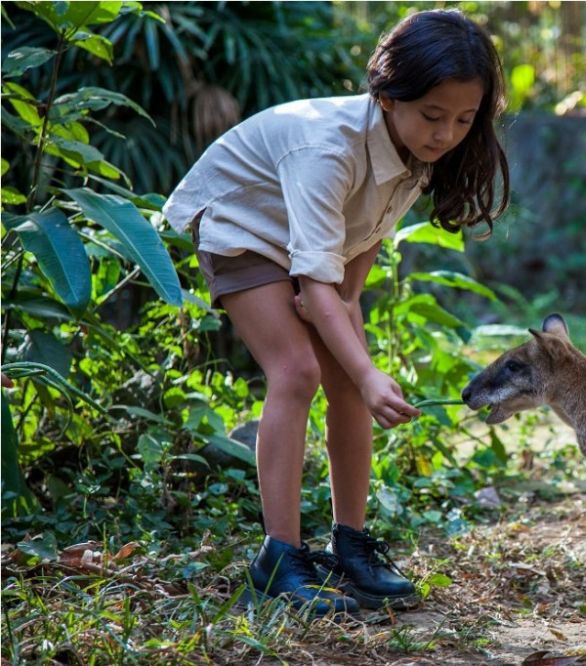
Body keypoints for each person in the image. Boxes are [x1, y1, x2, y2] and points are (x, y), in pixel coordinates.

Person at [162, 8, 509, 616]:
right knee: (297, 372)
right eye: (432, 115)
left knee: (349, 382)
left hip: (312, 253)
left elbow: (344, 285)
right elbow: (317, 290)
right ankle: (279, 558)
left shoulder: (414, 158)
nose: (445, 134)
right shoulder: (328, 148)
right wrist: (368, 367)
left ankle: (351, 546)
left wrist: (364, 369)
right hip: (243, 226)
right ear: (387, 92)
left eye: (463, 119)